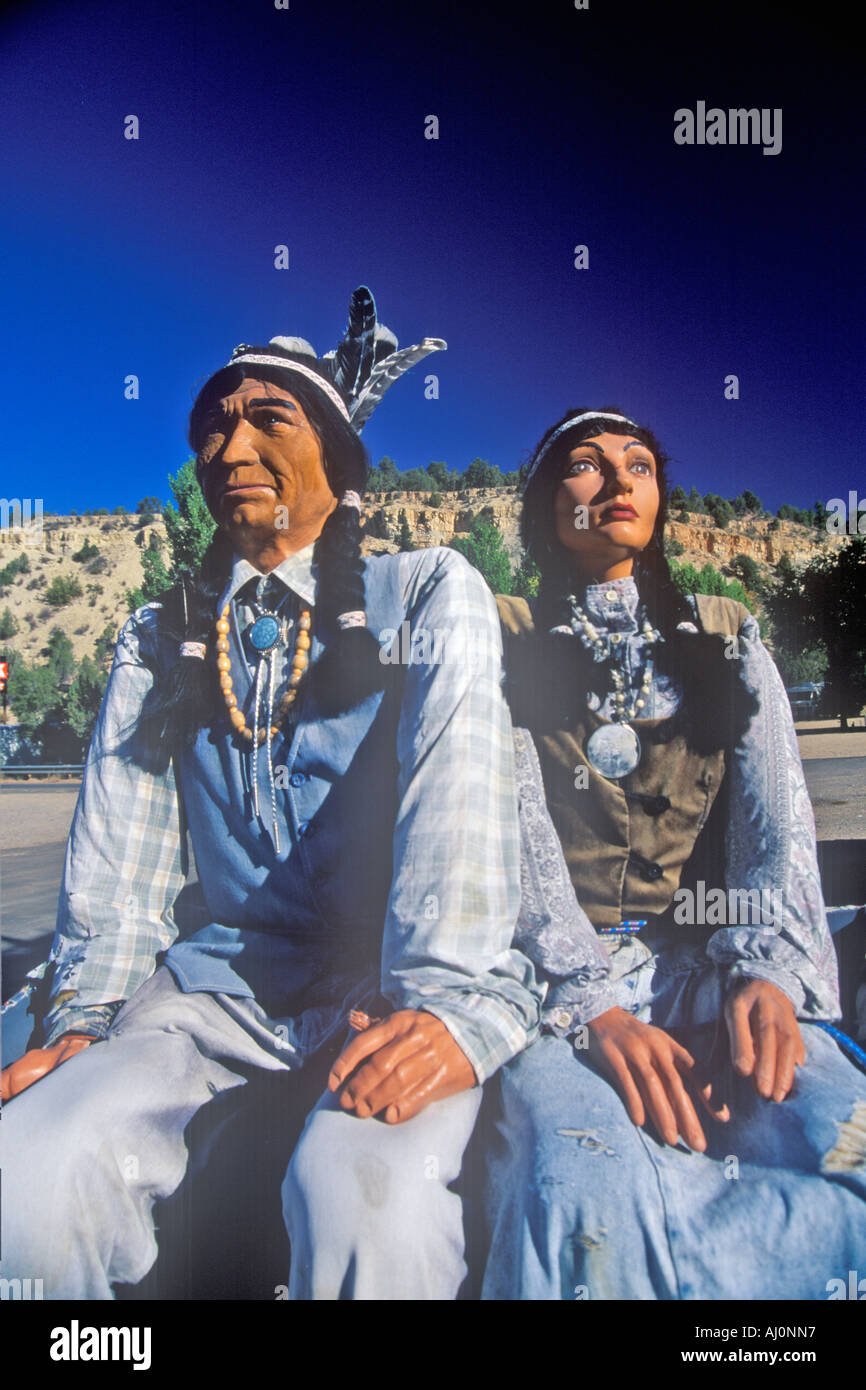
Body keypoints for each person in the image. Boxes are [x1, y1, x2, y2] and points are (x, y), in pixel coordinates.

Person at [0, 288, 542, 1301]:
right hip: (207, 999)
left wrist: (442, 1014)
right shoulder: (159, 634)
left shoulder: (424, 592)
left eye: (266, 416)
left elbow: (457, 826)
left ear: (336, 459)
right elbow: (123, 874)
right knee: (22, 1178)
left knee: (361, 1199)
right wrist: (81, 1019)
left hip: (385, 992)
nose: (228, 441)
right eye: (213, 422)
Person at [482, 406, 866, 1300]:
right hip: (550, 986)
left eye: (640, 465)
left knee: (837, 1135)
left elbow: (778, 835)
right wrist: (591, 1005)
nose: (618, 481)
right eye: (587, 464)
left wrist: (765, 972)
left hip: (712, 960)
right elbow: (511, 833)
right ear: (548, 506)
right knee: (577, 1197)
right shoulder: (499, 634)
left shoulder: (727, 636)